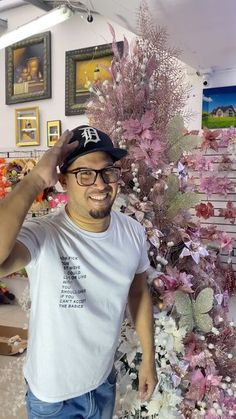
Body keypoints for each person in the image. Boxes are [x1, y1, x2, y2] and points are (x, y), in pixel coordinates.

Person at [0, 125, 157, 419]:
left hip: (102, 382)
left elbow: (138, 292)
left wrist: (149, 357)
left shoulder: (133, 232)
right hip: (53, 398)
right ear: (63, 181)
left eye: (107, 172)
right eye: (84, 174)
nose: (99, 185)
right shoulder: (44, 233)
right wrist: (35, 179)